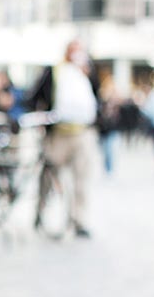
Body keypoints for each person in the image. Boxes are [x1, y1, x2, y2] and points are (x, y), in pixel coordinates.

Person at [26, 39, 100, 238]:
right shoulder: (54, 72)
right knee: (49, 176)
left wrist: (87, 73)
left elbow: (96, 96)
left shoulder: (86, 72)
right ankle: (40, 211)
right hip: (58, 133)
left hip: (82, 133)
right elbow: (35, 98)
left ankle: (79, 219)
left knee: (81, 180)